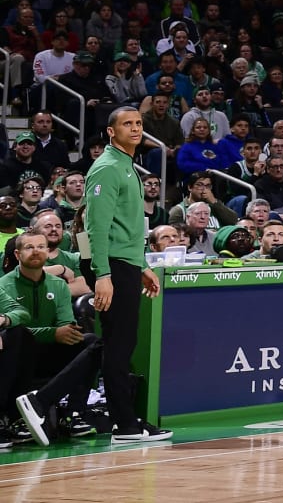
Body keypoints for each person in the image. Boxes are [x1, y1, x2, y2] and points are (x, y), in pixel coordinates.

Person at [81, 105, 169, 443]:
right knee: (119, 344)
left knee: (121, 342)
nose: (135, 129)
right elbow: (97, 228)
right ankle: (124, 424)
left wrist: (142, 265)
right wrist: (103, 274)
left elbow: (128, 227)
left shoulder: (127, 165)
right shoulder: (106, 168)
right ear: (110, 131)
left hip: (124, 263)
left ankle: (123, 418)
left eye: (138, 123)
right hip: (110, 264)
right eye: (127, 124)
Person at [2, 229, 102, 447]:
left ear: (48, 252)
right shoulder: (4, 285)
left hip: (50, 351)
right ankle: (14, 415)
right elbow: (18, 329)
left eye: (40, 247)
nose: (36, 251)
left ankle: (73, 413)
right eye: (29, 247)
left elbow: (64, 325)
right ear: (18, 255)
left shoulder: (58, 285)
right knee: (17, 334)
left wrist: (65, 330)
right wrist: (53, 333)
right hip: (18, 357)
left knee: (91, 341)